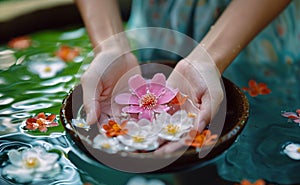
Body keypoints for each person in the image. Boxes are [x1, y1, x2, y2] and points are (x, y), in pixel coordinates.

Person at [74, 0, 293, 154]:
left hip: (252, 26)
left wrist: (207, 59)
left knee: (262, 148)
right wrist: (111, 47)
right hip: (160, 18)